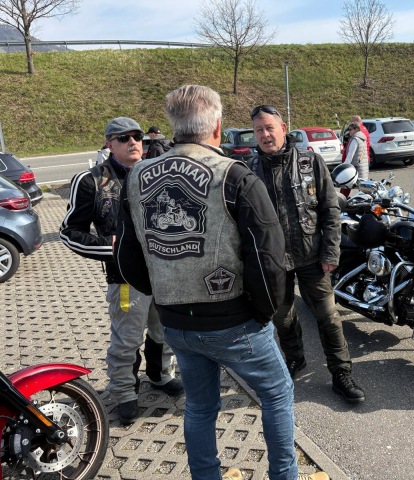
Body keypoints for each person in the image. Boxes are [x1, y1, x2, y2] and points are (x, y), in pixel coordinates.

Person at [114, 86, 328, 480]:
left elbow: (127, 255)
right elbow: (268, 258)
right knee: (277, 392)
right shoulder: (235, 175)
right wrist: (261, 313)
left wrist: (163, 295)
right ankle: (285, 475)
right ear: (216, 127)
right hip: (234, 319)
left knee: (199, 406)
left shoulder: (136, 178)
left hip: (176, 322)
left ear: (176, 126)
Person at [60, 117, 183, 425]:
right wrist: (112, 249)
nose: (133, 142)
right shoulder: (91, 180)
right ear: (109, 144)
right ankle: (125, 392)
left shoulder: (156, 172)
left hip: (164, 274)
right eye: (124, 138)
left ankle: (161, 374)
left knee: (165, 331)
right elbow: (70, 232)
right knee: (127, 340)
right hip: (126, 279)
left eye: (137, 136)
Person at [248, 104, 365, 404]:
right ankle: (295, 358)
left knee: (328, 317)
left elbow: (330, 209)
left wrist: (331, 251)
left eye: (269, 128)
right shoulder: (249, 170)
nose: (265, 135)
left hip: (312, 255)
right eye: (259, 130)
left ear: (283, 128)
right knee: (282, 317)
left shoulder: (310, 161)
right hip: (274, 261)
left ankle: (341, 372)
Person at [340, 122, 368, 196]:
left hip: (356, 166)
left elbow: (350, 155)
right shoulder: (362, 138)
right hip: (363, 166)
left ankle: (342, 200)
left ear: (356, 129)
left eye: (350, 129)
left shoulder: (355, 139)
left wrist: (344, 167)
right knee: (363, 188)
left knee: (345, 184)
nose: (349, 131)